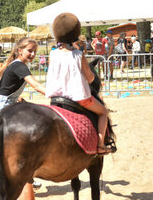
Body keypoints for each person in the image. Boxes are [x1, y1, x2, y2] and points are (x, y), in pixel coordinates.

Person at [45, 13, 109, 154]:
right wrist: (91, 78)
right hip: (79, 98)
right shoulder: (79, 55)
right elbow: (90, 78)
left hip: (56, 98)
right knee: (103, 112)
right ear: (76, 33)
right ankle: (100, 145)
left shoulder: (53, 54)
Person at [0, 36, 46, 116]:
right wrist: (54, 95)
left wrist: (17, 97)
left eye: (35, 51)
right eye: (30, 51)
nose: (33, 54)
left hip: (6, 106)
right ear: (20, 51)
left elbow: (8, 88)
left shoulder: (17, 64)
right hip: (4, 109)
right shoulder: (19, 66)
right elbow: (36, 85)